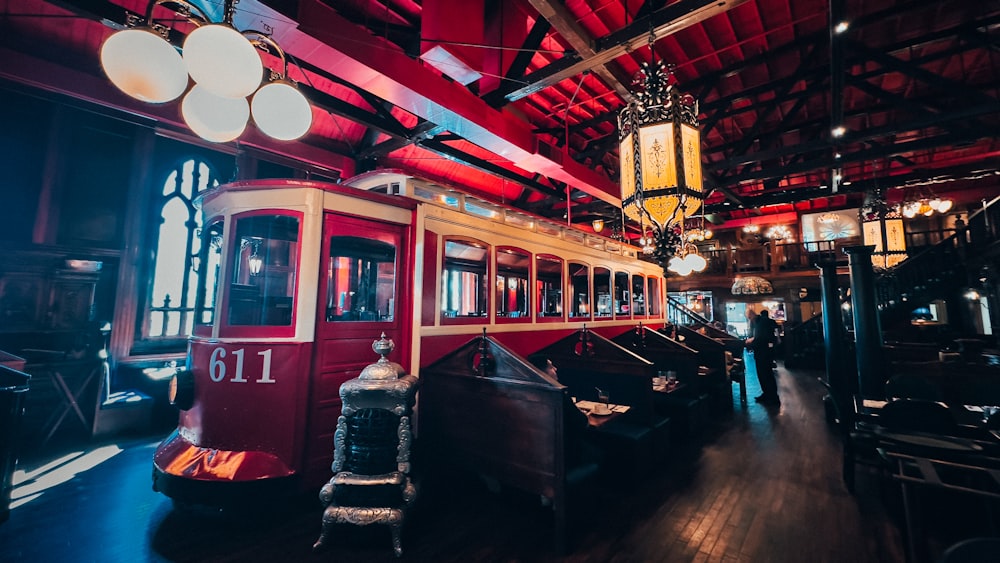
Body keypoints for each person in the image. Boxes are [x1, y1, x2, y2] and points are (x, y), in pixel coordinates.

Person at [746, 309, 780, 405]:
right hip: (761, 351)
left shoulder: (762, 322)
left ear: (752, 315)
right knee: (762, 374)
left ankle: (773, 397)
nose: (749, 320)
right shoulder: (758, 322)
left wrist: (750, 342)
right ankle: (767, 394)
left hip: (764, 352)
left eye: (749, 317)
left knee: (766, 374)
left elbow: (761, 337)